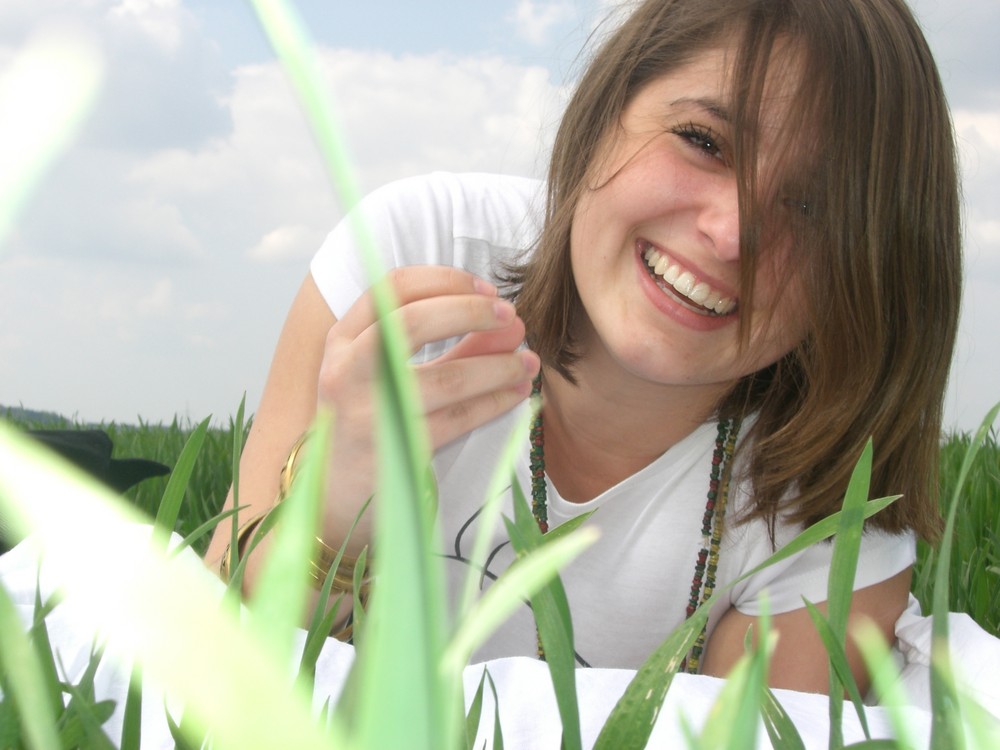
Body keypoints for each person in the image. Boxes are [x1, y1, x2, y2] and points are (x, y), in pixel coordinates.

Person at [205, 0, 961, 696]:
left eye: (815, 206)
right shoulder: (415, 258)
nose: (732, 235)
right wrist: (334, 514)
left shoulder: (838, 491)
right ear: (604, 111)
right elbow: (216, 661)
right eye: (703, 141)